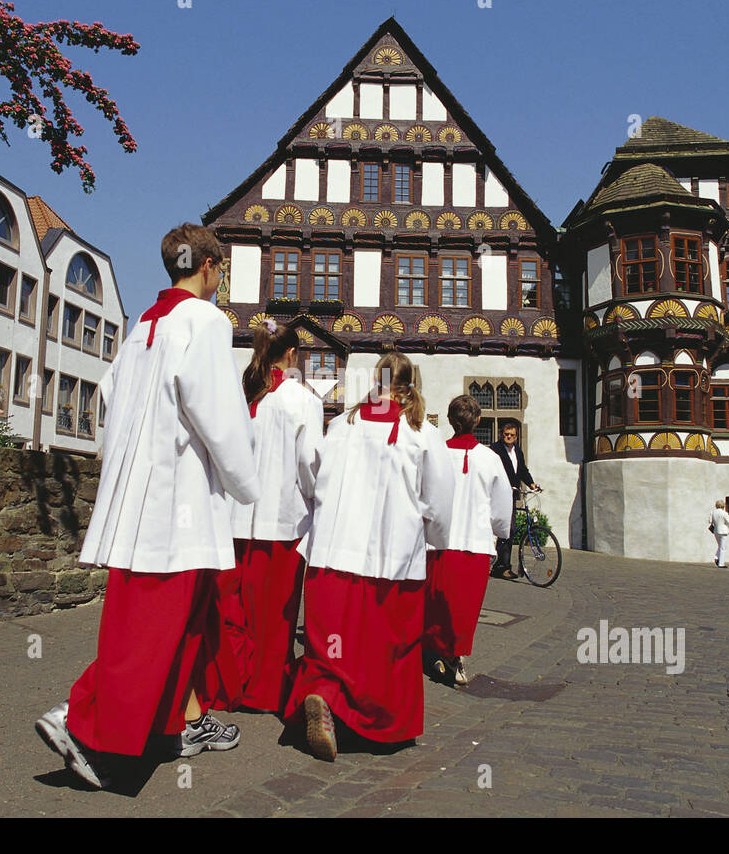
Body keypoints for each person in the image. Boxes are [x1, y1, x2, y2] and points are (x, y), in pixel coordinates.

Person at [35, 223, 260, 789]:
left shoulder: (145, 326)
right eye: (221, 269)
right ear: (209, 266)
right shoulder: (206, 321)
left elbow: (109, 395)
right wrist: (247, 484)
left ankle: (155, 728)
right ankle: (83, 721)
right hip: (177, 502)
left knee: (164, 626)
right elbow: (219, 415)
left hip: (137, 500)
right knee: (156, 631)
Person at [283, 352, 455, 761]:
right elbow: (441, 501)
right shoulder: (422, 434)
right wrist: (435, 540)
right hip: (390, 559)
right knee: (383, 647)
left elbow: (315, 474)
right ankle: (377, 723)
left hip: (332, 553)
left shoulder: (341, 425)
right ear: (408, 385)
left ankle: (323, 696)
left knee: (334, 644)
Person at [210, 318, 322, 713]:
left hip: (237, 517)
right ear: (292, 354)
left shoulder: (247, 395)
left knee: (235, 609)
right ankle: (264, 689)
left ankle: (232, 683)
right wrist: (317, 501)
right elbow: (310, 463)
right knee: (275, 616)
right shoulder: (303, 399)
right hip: (282, 519)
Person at [423, 395, 512, 687]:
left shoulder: (437, 454)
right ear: (478, 420)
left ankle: (440, 651)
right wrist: (499, 532)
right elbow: (501, 506)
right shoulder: (491, 459)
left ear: (450, 420)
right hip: (475, 542)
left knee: (437, 601)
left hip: (439, 541)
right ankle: (456, 655)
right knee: (465, 606)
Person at [490, 421, 538, 578]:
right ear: (501, 435)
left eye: (512, 435)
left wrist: (531, 483)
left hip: (512, 494)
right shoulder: (495, 449)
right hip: (499, 494)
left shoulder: (517, 450)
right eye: (506, 434)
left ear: (516, 436)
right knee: (505, 529)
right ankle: (501, 567)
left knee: (510, 530)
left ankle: (502, 566)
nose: (509, 437)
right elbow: (493, 471)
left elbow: (522, 470)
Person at [710, 499, 729, 568]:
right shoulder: (724, 513)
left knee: (720, 546)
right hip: (723, 531)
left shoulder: (712, 512)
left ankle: (716, 558)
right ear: (723, 505)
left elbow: (709, 521)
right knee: (723, 548)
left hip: (716, 531)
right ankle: (721, 563)